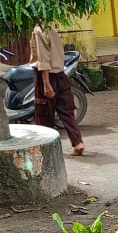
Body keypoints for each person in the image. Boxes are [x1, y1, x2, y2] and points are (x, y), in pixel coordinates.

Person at [30, 21, 84, 156]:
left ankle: (47, 150)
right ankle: (78, 142)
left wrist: (46, 83)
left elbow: (43, 59)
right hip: (60, 74)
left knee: (44, 114)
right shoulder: (52, 27)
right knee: (67, 111)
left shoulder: (39, 29)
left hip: (46, 76)